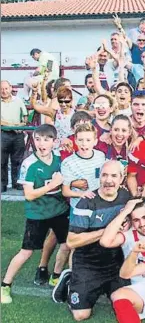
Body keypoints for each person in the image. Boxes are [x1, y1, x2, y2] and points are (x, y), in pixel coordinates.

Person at [52, 160, 131, 321]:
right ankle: (69, 281)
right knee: (81, 315)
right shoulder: (86, 203)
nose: (109, 180)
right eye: (105, 175)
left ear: (122, 178)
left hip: (115, 265)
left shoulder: (125, 196)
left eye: (114, 176)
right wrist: (108, 230)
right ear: (99, 177)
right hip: (88, 264)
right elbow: (72, 242)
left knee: (125, 302)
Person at [1, 125, 70, 304]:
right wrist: (52, 184)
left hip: (59, 210)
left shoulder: (60, 159)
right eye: (38, 139)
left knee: (67, 244)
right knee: (26, 252)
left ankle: (55, 275)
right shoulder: (29, 163)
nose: (42, 143)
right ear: (33, 141)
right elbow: (29, 194)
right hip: (37, 214)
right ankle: (5, 285)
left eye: (46, 139)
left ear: (54, 142)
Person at [61, 123, 106, 210]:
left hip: (99, 203)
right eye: (80, 140)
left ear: (95, 141)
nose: (84, 143)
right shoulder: (68, 163)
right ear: (75, 141)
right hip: (79, 207)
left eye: (88, 140)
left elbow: (99, 175)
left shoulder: (100, 156)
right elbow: (65, 191)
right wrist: (82, 194)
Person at [1, 80, 28, 192]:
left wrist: (21, 125)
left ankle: (17, 183)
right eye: (1, 89)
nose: (4, 91)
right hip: (3, 133)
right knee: (2, 161)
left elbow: (26, 117)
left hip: (18, 134)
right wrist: (13, 126)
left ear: (11, 88)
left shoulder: (18, 100)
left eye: (6, 88)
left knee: (17, 160)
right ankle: (2, 184)